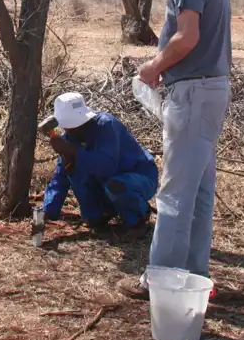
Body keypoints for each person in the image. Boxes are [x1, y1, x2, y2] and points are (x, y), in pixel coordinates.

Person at [116, 0, 232, 300]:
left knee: (174, 193)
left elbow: (187, 37)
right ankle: (196, 277)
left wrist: (153, 66)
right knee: (198, 189)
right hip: (211, 90)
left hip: (195, 94)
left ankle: (160, 279)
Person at [41, 92, 159, 237]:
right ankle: (104, 212)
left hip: (139, 177)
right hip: (107, 184)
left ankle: (138, 219)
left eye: (72, 126)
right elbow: (61, 177)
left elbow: (107, 166)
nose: (68, 130)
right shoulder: (70, 138)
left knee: (116, 185)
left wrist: (73, 152)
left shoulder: (106, 125)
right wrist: (47, 212)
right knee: (91, 215)